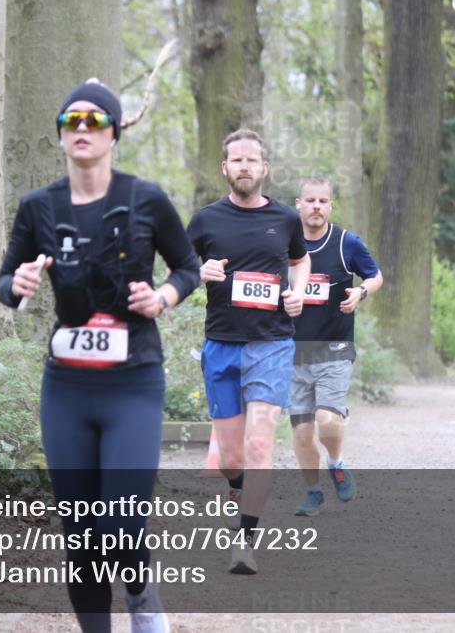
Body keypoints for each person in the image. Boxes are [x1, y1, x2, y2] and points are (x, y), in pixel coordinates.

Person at [0, 79, 199, 633]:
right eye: (71, 121)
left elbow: (188, 269)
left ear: (114, 133)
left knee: (119, 519)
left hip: (133, 382)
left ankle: (139, 591)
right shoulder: (38, 206)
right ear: (60, 134)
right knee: (82, 533)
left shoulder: (146, 199)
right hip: (67, 388)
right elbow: (3, 284)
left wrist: (162, 297)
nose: (82, 129)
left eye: (95, 121)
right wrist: (20, 282)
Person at [186, 129, 311, 575]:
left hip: (271, 343)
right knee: (231, 458)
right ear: (225, 168)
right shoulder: (205, 220)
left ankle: (245, 541)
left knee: (260, 441)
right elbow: (180, 270)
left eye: (251, 160)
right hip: (221, 344)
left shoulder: (286, 219)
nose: (244, 166)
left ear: (264, 168)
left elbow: (300, 262)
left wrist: (296, 293)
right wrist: (200, 271)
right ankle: (238, 489)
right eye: (236, 160)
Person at [287, 177, 382, 517]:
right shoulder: (285, 243)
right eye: (309, 200)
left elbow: (375, 275)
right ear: (298, 203)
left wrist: (361, 292)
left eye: (322, 201)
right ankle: (313, 492)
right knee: (300, 432)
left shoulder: (346, 243)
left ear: (330, 205)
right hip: (292, 352)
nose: (315, 206)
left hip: (335, 348)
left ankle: (336, 462)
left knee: (327, 419)